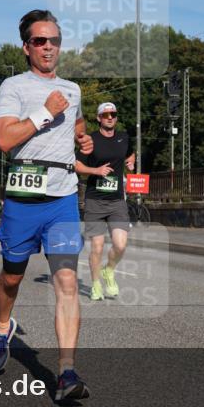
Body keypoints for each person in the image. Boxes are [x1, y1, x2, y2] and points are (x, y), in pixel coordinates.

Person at [0, 9, 94, 401]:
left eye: (54, 40)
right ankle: (2, 329)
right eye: (39, 41)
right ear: (26, 47)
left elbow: (78, 126)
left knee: (66, 281)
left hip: (63, 197)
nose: (48, 47)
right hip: (23, 196)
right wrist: (45, 111)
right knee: (12, 277)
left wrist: (83, 142)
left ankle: (66, 372)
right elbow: (3, 139)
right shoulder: (12, 87)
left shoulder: (73, 89)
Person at [75, 102, 135, 300]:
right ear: (99, 118)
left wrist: (131, 161)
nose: (110, 117)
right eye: (106, 114)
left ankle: (108, 271)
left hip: (117, 200)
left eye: (113, 114)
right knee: (97, 247)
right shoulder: (90, 139)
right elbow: (76, 164)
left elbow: (130, 153)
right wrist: (96, 171)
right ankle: (95, 284)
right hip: (95, 200)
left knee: (120, 245)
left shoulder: (123, 137)